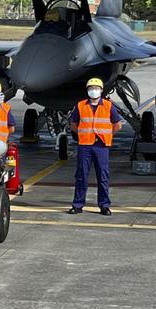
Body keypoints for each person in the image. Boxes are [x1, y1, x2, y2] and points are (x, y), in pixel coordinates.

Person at [68, 77, 123, 215]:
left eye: (96, 89)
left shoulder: (108, 106)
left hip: (101, 146)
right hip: (85, 145)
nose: (94, 91)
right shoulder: (80, 105)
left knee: (103, 176)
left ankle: (104, 205)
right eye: (91, 89)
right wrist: (83, 133)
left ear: (101, 91)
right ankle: (78, 204)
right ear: (87, 91)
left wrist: (106, 134)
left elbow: (118, 125)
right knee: (81, 176)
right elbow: (73, 125)